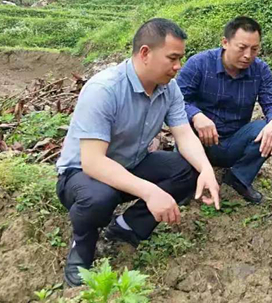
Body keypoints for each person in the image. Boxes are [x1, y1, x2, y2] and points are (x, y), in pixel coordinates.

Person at [55, 18, 220, 287]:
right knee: (99, 198)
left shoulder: (169, 88)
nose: (178, 66)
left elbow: (184, 134)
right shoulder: (104, 90)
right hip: (82, 175)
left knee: (187, 169)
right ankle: (81, 250)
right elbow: (93, 162)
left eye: (180, 58)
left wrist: (206, 170)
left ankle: (126, 227)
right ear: (145, 53)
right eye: (172, 58)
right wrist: (151, 192)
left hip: (131, 163)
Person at [177, 16, 272, 204]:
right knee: (185, 130)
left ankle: (239, 177)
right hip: (200, 140)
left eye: (254, 49)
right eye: (242, 48)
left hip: (235, 140)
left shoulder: (260, 70)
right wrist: (196, 115)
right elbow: (176, 102)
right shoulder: (199, 64)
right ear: (225, 43)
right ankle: (188, 180)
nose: (248, 55)